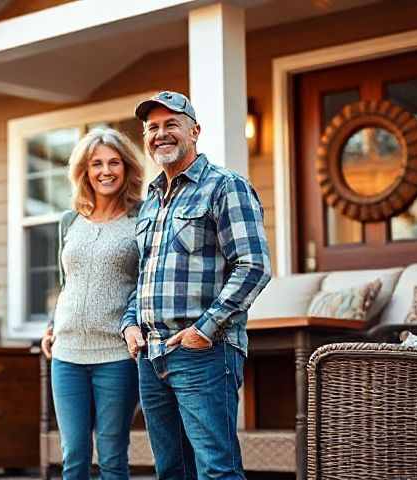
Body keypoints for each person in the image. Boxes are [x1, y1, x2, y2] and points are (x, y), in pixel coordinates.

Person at [120, 91, 271, 480]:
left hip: (204, 353)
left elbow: (253, 266)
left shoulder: (225, 186)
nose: (161, 134)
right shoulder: (151, 201)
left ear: (195, 131)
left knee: (215, 469)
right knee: (171, 470)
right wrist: (130, 323)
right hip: (151, 354)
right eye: (152, 127)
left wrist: (204, 331)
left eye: (172, 124)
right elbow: (146, 275)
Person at [41, 128, 144, 480]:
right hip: (66, 354)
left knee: (113, 456)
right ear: (84, 171)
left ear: (127, 168)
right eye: (96, 163)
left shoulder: (142, 220)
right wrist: (51, 327)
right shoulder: (69, 221)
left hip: (116, 355)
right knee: (74, 456)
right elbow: (66, 283)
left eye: (114, 162)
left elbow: (145, 285)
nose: (106, 171)